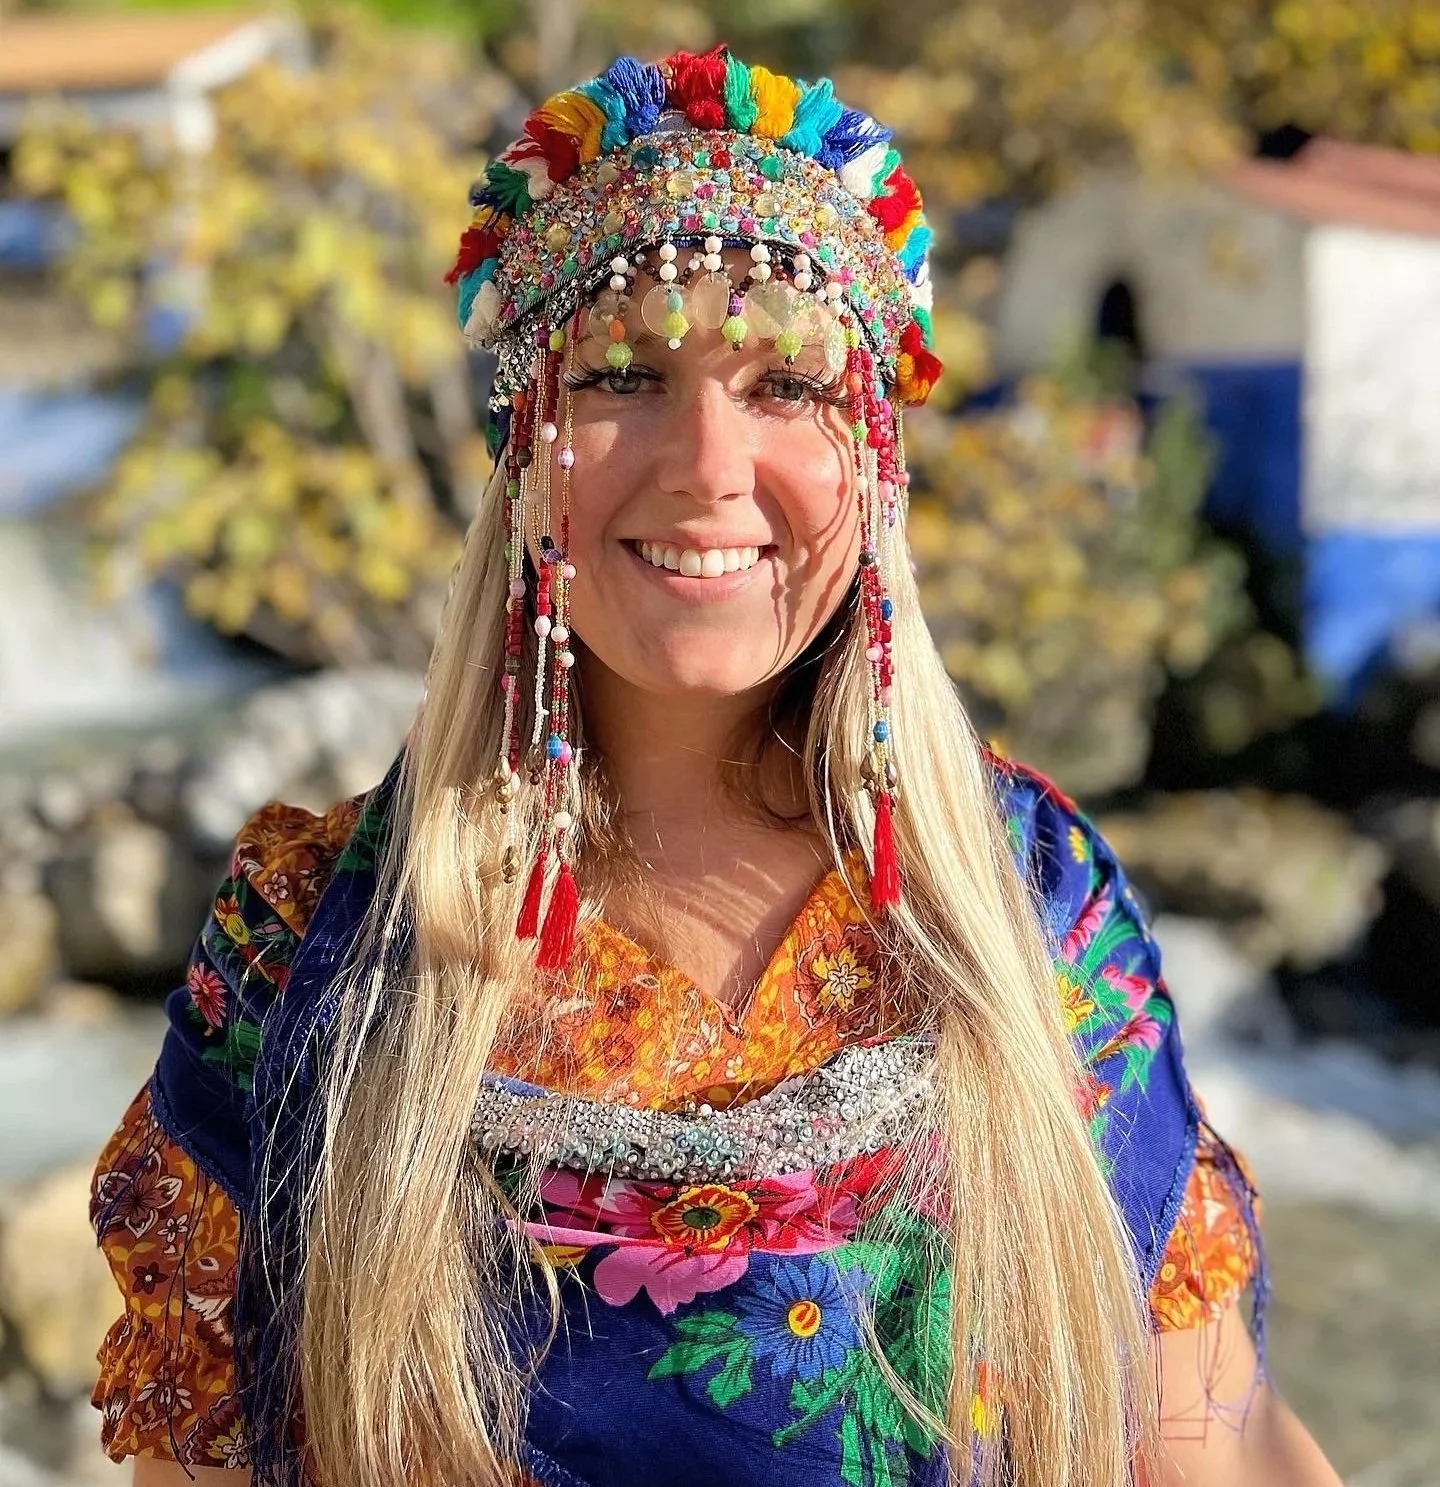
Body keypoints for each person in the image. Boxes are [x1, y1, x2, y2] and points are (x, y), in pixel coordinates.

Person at [87, 44, 1341, 1487]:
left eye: (789, 384)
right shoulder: (307, 950)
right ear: (525, 448)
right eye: (623, 374)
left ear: (877, 460)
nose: (707, 463)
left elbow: (1220, 1446)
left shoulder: (1031, 909)